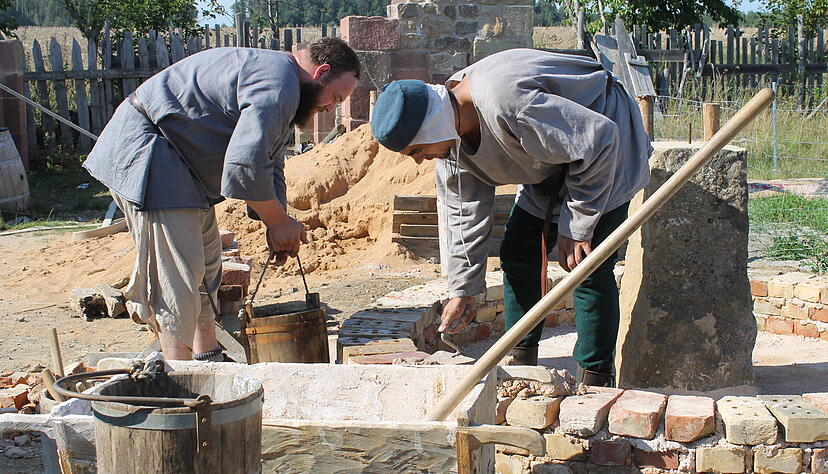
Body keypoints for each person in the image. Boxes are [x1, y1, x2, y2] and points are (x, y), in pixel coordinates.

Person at [370, 49, 651, 386]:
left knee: (585, 265)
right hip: (551, 155)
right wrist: (464, 289)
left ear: (431, 127)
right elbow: (462, 211)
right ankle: (520, 360)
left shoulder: (509, 104)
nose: (419, 161)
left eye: (416, 150)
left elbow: (599, 139)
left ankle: (595, 378)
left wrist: (577, 226)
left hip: (607, 149)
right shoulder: (450, 135)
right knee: (519, 251)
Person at [83, 38, 360, 361]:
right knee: (178, 277)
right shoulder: (278, 82)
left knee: (207, 266)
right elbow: (245, 166)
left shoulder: (284, 85)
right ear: (321, 72)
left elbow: (270, 162)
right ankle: (179, 373)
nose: (330, 108)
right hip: (152, 154)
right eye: (335, 97)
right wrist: (278, 222)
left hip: (182, 169)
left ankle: (207, 355)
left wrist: (277, 222)